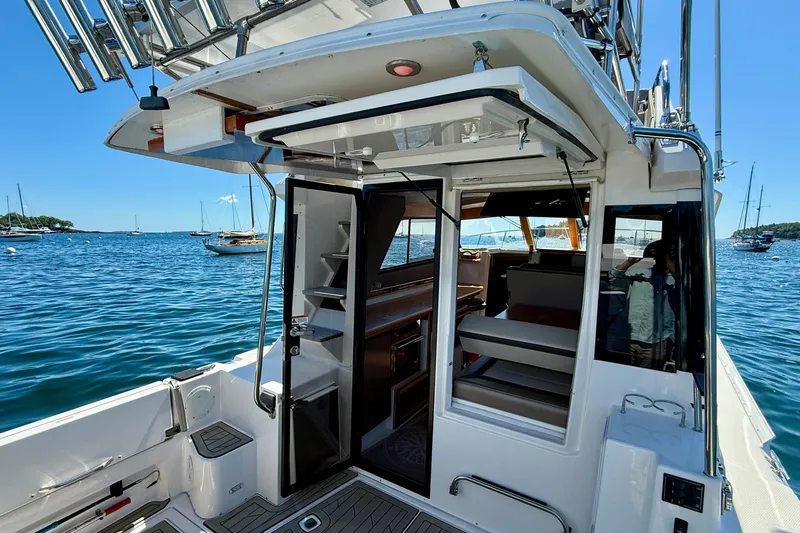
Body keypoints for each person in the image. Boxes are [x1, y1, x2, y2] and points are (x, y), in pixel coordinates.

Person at [610, 240, 678, 370]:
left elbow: (690, 287)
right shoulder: (640, 273)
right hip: (629, 336)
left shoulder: (674, 279)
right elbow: (614, 277)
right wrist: (629, 262)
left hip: (655, 342)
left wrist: (668, 261)